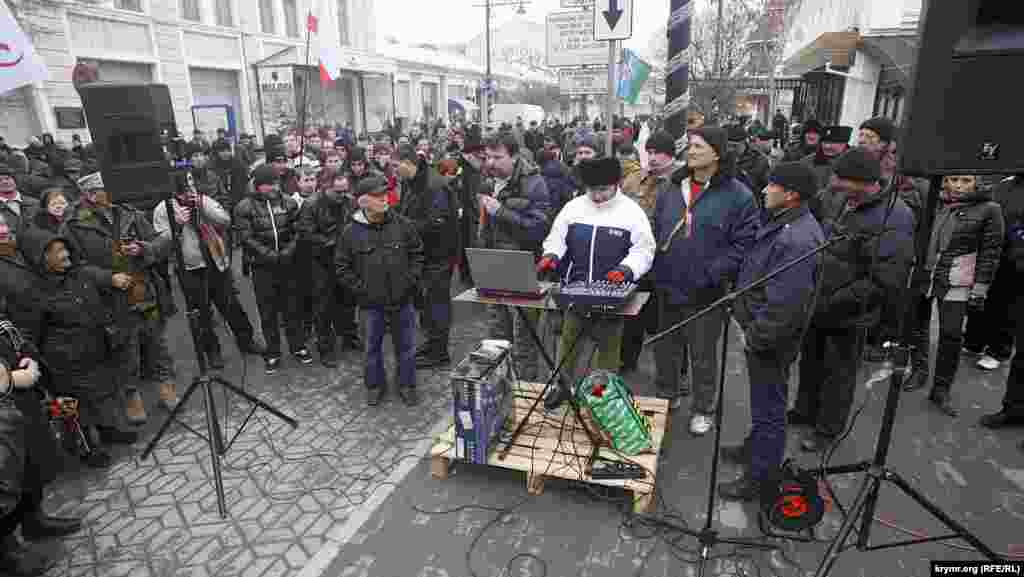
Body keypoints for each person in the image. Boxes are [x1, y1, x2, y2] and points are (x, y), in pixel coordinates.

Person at [793, 148, 915, 451]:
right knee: (811, 362)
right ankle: (805, 410)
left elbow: (885, 278)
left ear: (863, 182)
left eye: (840, 178)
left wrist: (837, 300)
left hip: (850, 312)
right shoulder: (838, 199)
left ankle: (827, 430)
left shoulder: (895, 215)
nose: (833, 181)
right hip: (819, 301)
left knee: (839, 373)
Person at [718, 162, 824, 501]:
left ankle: (761, 478)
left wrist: (756, 337)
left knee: (770, 409)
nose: (764, 190)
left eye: (771, 186)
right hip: (764, 332)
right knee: (765, 403)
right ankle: (755, 449)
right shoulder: (786, 223)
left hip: (770, 339)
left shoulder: (797, 237)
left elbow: (786, 303)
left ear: (790, 194)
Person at [652, 126, 759, 435]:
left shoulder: (739, 195)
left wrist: (713, 273)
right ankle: (667, 394)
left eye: (699, 146)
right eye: (690, 146)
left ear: (717, 152)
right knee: (666, 347)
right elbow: (658, 227)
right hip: (669, 283)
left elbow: (744, 245)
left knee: (703, 353)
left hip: (707, 291)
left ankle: (703, 408)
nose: (691, 151)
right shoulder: (672, 188)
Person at [63, 172, 176, 420]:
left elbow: (162, 242)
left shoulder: (130, 213)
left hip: (143, 290)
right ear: (91, 195)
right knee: (126, 351)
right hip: (111, 301)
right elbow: (72, 266)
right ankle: (131, 397)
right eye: (106, 189)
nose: (114, 194)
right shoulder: (74, 224)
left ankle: (167, 388)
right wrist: (107, 278)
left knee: (158, 344)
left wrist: (143, 248)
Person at [538, 157, 655, 393]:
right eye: (592, 190)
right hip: (575, 292)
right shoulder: (573, 208)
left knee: (608, 352)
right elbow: (557, 237)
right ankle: (561, 389)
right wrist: (552, 254)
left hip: (611, 296)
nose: (597, 196)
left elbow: (645, 248)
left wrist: (627, 269)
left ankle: (602, 397)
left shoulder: (631, 212)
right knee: (567, 347)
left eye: (603, 190)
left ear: (616, 185)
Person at [905, 175, 1004, 416]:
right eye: (953, 179)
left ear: (976, 183)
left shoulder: (989, 209)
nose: (958, 186)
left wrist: (981, 286)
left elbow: (991, 250)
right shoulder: (933, 202)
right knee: (917, 324)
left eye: (965, 180)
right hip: (925, 273)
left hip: (958, 277)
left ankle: (941, 387)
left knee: (950, 334)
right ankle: (919, 370)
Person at [336, 176, 425, 406]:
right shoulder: (350, 232)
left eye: (385, 194)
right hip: (370, 305)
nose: (385, 199)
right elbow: (342, 266)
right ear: (363, 201)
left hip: (401, 299)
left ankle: (406, 384)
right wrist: (361, 290)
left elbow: (417, 254)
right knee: (371, 349)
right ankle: (375, 386)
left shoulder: (403, 224)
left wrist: (409, 280)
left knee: (406, 347)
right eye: (377, 196)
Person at [153, 179, 260, 369]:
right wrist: (176, 225)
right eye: (186, 189)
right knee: (201, 314)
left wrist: (203, 207)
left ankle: (246, 341)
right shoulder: (163, 209)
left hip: (215, 260)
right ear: (177, 192)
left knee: (231, 305)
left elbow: (226, 220)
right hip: (190, 268)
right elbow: (161, 244)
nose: (191, 191)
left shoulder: (202, 200)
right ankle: (212, 352)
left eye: (193, 186)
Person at [478, 133, 551, 382]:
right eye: (488, 157)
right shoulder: (488, 181)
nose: (491, 162)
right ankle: (501, 392)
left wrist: (502, 212)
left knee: (524, 340)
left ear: (514, 156)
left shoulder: (534, 183)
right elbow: (484, 228)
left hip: (523, 266)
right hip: (492, 265)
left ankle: (526, 392)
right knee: (497, 337)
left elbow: (539, 229)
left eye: (498, 157)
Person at [235, 164, 310, 374]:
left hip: (287, 264)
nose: (273, 187)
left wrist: (288, 251)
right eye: (268, 184)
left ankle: (298, 346)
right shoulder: (244, 207)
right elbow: (246, 237)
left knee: (292, 307)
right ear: (258, 186)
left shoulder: (288, 202)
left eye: (275, 183)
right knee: (267, 311)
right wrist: (269, 256)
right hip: (262, 267)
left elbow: (298, 230)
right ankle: (273, 352)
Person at [396, 145, 458, 368]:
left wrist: (404, 226)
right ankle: (433, 343)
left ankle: (440, 353)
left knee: (437, 304)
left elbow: (437, 223)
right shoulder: (410, 182)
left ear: (408, 163)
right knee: (427, 304)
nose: (394, 171)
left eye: (396, 166)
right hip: (424, 254)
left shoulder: (435, 185)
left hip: (440, 256)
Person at [299, 169, 361, 367]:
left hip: (345, 260)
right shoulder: (311, 204)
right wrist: (332, 242)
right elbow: (306, 234)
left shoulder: (349, 201)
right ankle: (325, 347)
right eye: (339, 192)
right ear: (326, 187)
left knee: (348, 300)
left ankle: (349, 336)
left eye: (345, 190)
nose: (344, 195)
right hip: (321, 262)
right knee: (323, 306)